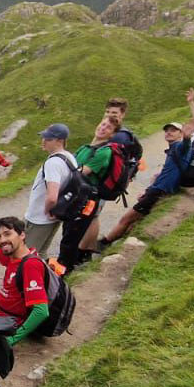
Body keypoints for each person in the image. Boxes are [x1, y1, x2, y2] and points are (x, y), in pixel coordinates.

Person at [98, 121, 194, 249]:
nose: (169, 132)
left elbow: (186, 146)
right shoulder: (173, 149)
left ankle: (103, 244)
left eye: (173, 130)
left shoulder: (178, 147)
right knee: (136, 219)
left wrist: (187, 137)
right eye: (167, 130)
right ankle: (117, 242)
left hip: (160, 191)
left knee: (126, 219)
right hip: (158, 189)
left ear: (181, 134)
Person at [0, 211, 51, 345]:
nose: (2, 240)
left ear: (22, 235)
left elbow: (41, 311)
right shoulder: (13, 256)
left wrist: (12, 339)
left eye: (7, 234)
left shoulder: (30, 265)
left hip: (3, 322)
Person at [58, 117, 118, 273]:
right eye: (103, 124)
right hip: (75, 196)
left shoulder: (105, 152)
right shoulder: (86, 147)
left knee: (71, 237)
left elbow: (82, 172)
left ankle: (65, 272)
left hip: (86, 200)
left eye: (109, 128)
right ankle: (66, 267)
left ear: (112, 135)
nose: (103, 128)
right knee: (67, 233)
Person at [23, 123, 75, 255]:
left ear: (60, 141)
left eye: (48, 139)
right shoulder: (69, 157)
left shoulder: (53, 163)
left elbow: (52, 197)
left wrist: (47, 210)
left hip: (39, 218)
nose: (44, 141)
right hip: (54, 217)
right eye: (44, 137)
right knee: (40, 253)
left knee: (26, 254)